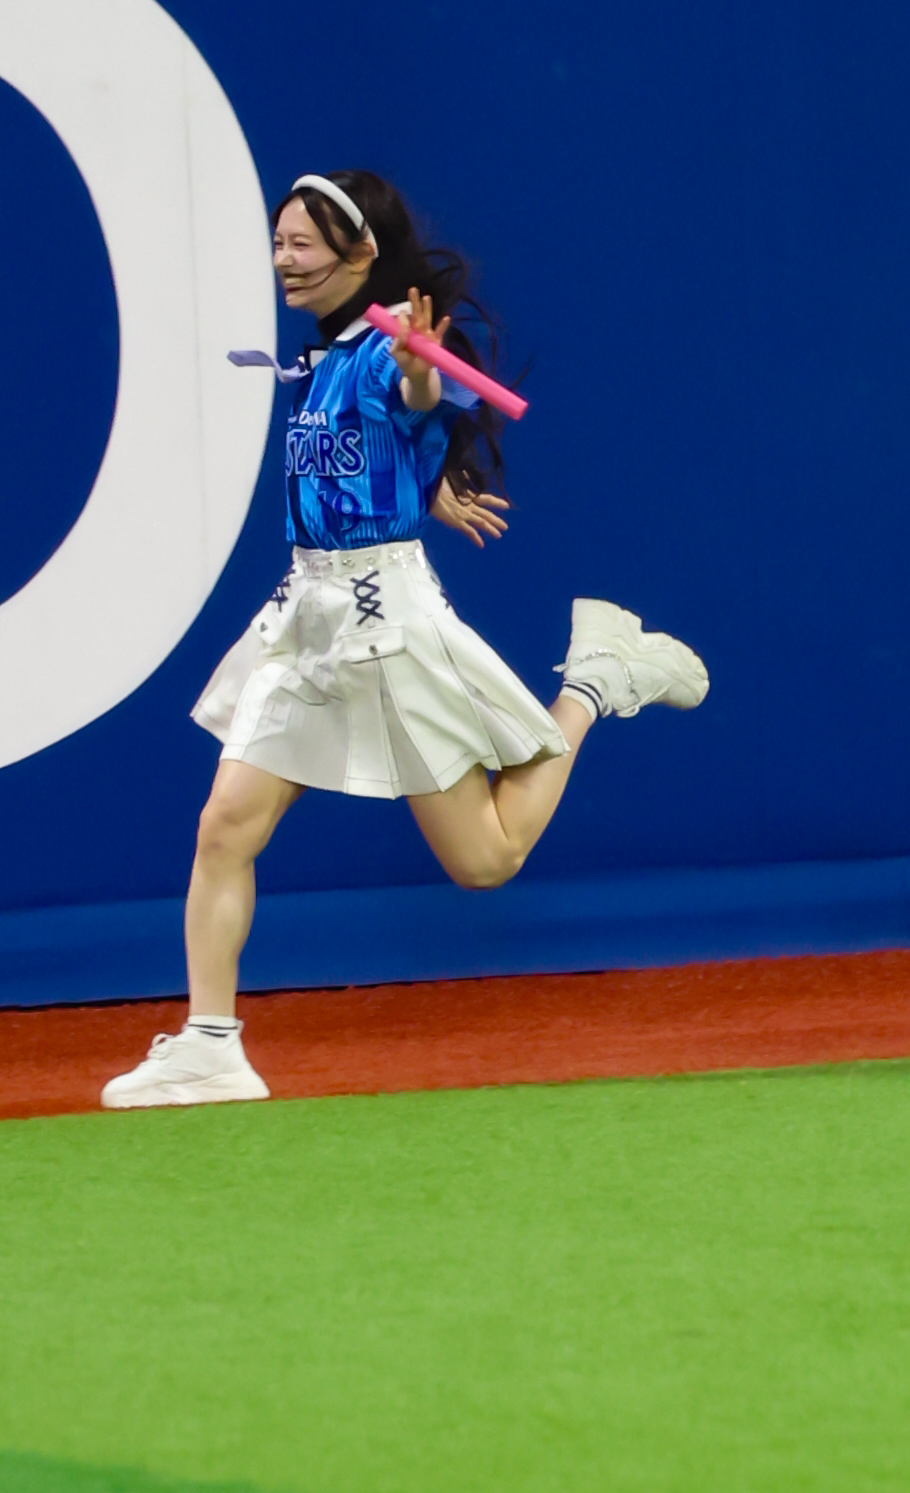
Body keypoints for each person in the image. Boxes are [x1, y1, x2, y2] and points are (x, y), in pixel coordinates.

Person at [102, 170, 707, 1108]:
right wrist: (425, 484)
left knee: (487, 859)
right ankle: (211, 1042)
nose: (282, 261)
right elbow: (369, 454)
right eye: (278, 241)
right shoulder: (325, 359)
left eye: (302, 245)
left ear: (360, 254)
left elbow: (418, 395)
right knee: (225, 826)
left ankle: (594, 679)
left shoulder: (392, 352)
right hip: (306, 617)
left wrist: (423, 373)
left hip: (385, 620)